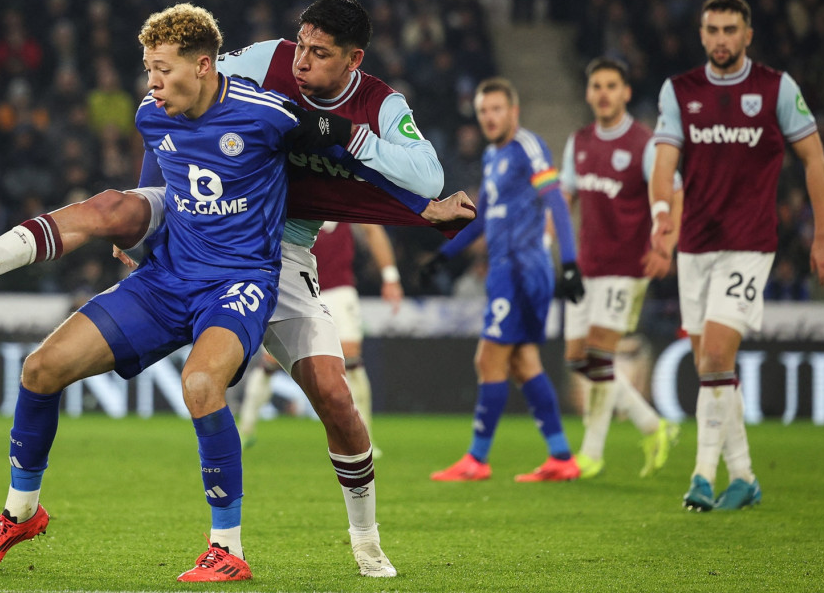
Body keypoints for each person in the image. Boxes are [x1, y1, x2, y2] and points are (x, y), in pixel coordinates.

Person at [0, 0, 475, 578]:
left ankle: (361, 542)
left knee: (333, 398)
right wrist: (142, 224)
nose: (301, 61)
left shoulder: (359, 107)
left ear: (353, 59)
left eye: (319, 53)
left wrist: (413, 200)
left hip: (272, 257)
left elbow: (411, 175)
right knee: (89, 257)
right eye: (301, 45)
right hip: (187, 235)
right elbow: (170, 126)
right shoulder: (254, 66)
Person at [650, 0, 824, 511]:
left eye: (730, 29)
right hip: (695, 246)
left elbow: (815, 160)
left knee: (714, 356)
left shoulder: (776, 88)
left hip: (749, 244)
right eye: (712, 30)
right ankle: (745, 477)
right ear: (701, 35)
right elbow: (664, 163)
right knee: (712, 367)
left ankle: (700, 477)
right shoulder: (679, 91)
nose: (721, 39)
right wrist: (662, 213)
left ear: (748, 35)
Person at [428, 77, 585, 482]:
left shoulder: (527, 146)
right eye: (483, 111)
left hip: (520, 268)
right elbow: (484, 219)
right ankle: (561, 456)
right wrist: (444, 256)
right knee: (523, 362)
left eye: (497, 109)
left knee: (489, 358)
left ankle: (476, 459)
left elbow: (556, 200)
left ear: (514, 112)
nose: (490, 117)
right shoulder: (492, 156)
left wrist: (569, 262)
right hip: (507, 268)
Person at [559, 57, 684, 479]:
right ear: (588, 92)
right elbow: (566, 197)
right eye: (597, 86)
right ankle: (652, 424)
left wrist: (666, 244)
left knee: (598, 354)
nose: (604, 93)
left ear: (626, 92)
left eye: (611, 85)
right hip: (586, 267)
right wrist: (553, 242)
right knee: (579, 360)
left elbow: (675, 192)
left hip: (626, 267)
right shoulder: (578, 142)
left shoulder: (644, 143)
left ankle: (591, 453)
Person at [236, 222, 402, 455]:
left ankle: (366, 438)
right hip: (294, 285)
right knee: (270, 362)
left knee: (351, 359)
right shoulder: (286, 198)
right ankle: (245, 429)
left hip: (337, 288)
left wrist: (390, 276)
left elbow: (372, 229)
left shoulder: (343, 200)